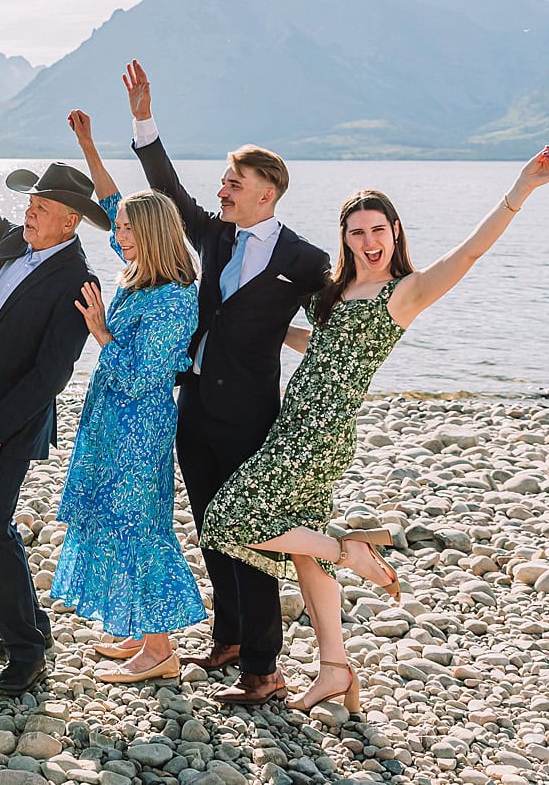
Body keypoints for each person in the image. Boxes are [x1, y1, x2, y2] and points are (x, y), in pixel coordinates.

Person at [200, 147, 549, 713]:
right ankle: (334, 670)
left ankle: (350, 551)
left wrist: (522, 187)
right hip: (292, 418)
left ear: (395, 232)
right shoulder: (337, 291)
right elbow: (320, 347)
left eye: (377, 230)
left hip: (321, 431)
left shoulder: (407, 291)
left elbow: (470, 252)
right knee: (303, 554)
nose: (367, 241)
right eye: (355, 232)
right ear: (344, 239)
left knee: (231, 520)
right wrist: (270, 334)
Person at [124, 60, 331, 706]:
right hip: (196, 408)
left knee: (251, 537)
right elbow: (167, 185)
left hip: (250, 417)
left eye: (233, 183)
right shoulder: (214, 234)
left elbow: (333, 327)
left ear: (266, 191)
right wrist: (143, 119)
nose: (222, 190)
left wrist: (301, 343)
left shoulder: (305, 259)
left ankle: (266, 671)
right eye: (223, 181)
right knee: (213, 530)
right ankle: (231, 639)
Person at [0, 94, 106, 697]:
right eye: (30, 202)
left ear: (71, 221)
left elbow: (50, 374)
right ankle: (26, 628)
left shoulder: (77, 281)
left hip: (12, 418)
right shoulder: (14, 242)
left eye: (42, 206)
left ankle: (27, 649)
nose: (29, 211)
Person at [50, 110, 205, 683]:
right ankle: (145, 635)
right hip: (115, 422)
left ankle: (161, 651)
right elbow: (115, 202)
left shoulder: (171, 296)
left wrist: (100, 334)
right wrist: (89, 145)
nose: (119, 235)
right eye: (120, 231)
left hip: (139, 428)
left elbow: (146, 376)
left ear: (155, 235)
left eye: (131, 231)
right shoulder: (141, 269)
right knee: (119, 522)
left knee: (140, 529)